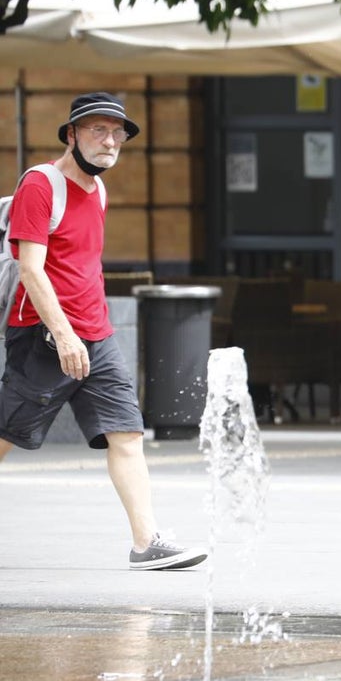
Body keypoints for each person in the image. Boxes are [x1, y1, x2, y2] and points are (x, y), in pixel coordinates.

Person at [0, 92, 207, 571]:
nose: (110, 141)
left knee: (127, 434)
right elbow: (32, 270)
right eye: (98, 130)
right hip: (43, 336)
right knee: (7, 433)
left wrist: (88, 333)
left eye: (117, 134)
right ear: (71, 135)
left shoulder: (100, 192)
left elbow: (82, 267)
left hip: (98, 334)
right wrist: (65, 334)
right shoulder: (41, 185)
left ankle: (147, 542)